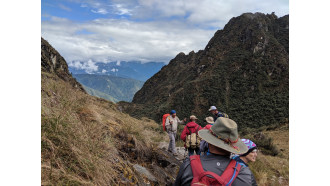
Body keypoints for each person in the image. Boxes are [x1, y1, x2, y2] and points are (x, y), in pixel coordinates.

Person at [174, 117, 256, 186]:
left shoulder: (188, 164)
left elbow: (182, 136)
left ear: (209, 141)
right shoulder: (245, 173)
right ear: (233, 147)